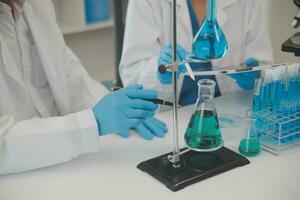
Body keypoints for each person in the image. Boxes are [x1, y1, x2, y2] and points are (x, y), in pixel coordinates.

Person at [0, 0, 167, 174]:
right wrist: (92, 121)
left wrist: (117, 110)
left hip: (61, 164)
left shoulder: (37, 4)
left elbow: (65, 70)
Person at [120, 0, 274, 106]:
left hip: (230, 113)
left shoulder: (246, 3)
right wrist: (159, 74)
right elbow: (132, 73)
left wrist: (256, 77)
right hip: (167, 117)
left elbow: (265, 64)